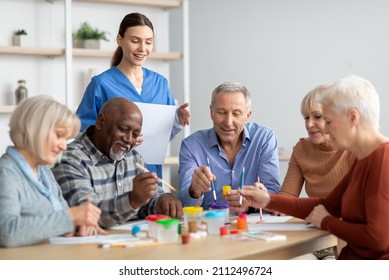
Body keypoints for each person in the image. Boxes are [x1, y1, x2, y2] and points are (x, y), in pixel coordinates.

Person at [238, 74, 389, 260]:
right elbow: (327, 205)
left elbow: (377, 239)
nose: (325, 129)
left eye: (329, 122)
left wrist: (326, 222)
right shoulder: (364, 158)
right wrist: (267, 200)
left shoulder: (384, 160)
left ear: (352, 118)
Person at [75, 12, 190, 180]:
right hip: (112, 176)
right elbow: (82, 132)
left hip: (150, 174)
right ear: (120, 40)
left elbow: (161, 135)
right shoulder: (101, 84)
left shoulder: (160, 83)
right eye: (135, 41)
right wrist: (120, 141)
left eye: (148, 42)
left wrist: (177, 120)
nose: (142, 48)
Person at [52, 97, 182, 229]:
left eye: (135, 135)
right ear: (100, 122)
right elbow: (85, 215)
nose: (129, 140)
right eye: (123, 129)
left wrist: (162, 201)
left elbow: (148, 201)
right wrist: (131, 200)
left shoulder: (134, 159)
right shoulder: (70, 160)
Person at [0, 96, 102, 248]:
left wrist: (79, 224)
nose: (64, 147)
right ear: (33, 128)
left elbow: (60, 220)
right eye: (59, 136)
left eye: (66, 139)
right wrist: (71, 217)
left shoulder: (44, 172)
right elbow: (6, 233)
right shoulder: (6, 172)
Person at [278, 84, 356, 260]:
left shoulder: (355, 149)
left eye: (317, 117)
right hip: (312, 239)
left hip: (345, 242)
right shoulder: (302, 149)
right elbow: (286, 198)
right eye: (306, 117)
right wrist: (266, 199)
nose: (309, 124)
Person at [178, 81, 280, 213]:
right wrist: (194, 190)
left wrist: (251, 204)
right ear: (211, 112)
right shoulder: (191, 145)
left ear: (247, 116)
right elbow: (184, 203)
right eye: (221, 112)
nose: (228, 122)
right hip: (210, 226)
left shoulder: (264, 138)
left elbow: (273, 193)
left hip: (252, 224)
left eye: (236, 113)